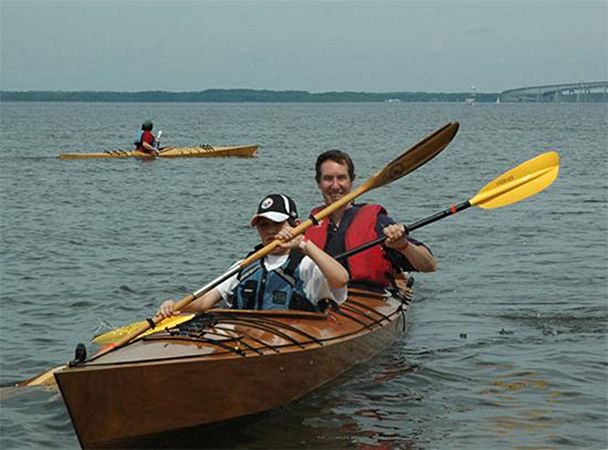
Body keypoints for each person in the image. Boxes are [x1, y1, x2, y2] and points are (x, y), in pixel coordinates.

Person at [157, 193, 349, 318]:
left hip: (290, 341)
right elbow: (206, 301)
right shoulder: (246, 265)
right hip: (245, 338)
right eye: (264, 225)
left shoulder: (306, 265)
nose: (270, 231)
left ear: (296, 224)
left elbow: (341, 279)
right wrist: (174, 305)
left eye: (277, 224)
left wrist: (303, 244)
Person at [304, 149, 437, 291]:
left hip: (366, 299)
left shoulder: (377, 221)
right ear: (318, 182)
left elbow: (430, 265)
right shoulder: (309, 226)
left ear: (352, 180)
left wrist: (403, 245)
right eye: (328, 179)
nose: (335, 185)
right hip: (320, 298)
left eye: (341, 178)